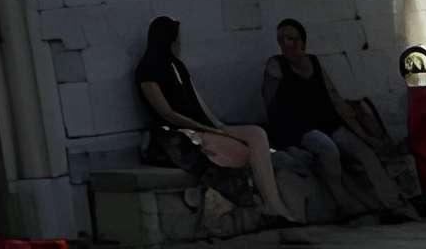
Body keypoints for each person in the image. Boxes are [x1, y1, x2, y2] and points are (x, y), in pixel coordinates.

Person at [135, 15, 287, 226]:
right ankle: (251, 204)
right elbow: (166, 113)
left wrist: (218, 126)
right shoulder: (148, 69)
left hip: (203, 125)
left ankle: (274, 202)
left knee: (257, 134)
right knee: (241, 153)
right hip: (177, 133)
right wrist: (205, 128)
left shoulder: (177, 65)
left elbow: (198, 102)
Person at [262, 19, 411, 223]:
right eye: (282, 39)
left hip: (328, 122)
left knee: (364, 152)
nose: (287, 44)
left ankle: (390, 204)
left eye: (292, 38)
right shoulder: (276, 66)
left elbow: (333, 97)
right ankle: (345, 205)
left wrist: (362, 131)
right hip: (299, 128)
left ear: (302, 41)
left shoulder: (314, 62)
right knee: (327, 149)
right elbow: (269, 103)